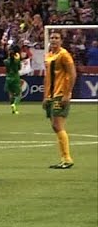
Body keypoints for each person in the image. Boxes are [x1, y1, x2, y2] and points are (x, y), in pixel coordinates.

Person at [43, 32, 76, 169]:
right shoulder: (49, 55)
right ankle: (64, 158)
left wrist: (67, 94)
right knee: (55, 126)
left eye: (57, 38)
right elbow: (47, 78)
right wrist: (45, 96)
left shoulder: (64, 54)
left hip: (60, 93)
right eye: (52, 38)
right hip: (51, 95)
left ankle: (67, 159)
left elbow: (72, 73)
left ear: (61, 40)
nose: (54, 40)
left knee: (58, 125)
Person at [5, 47, 25, 115]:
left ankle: (13, 109)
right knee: (19, 94)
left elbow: (7, 70)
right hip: (15, 77)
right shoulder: (17, 61)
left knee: (10, 94)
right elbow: (19, 68)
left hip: (8, 78)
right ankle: (15, 105)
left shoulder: (6, 61)